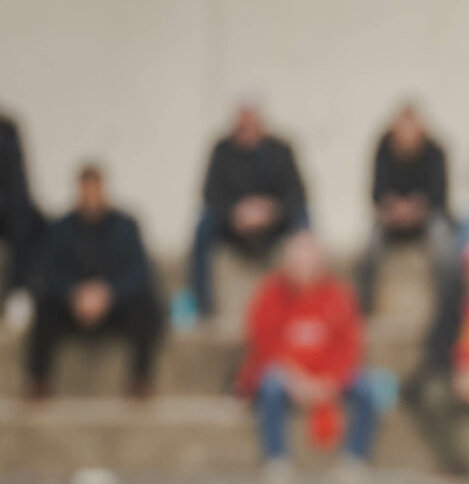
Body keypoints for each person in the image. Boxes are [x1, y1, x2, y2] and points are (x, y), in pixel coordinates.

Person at [237, 229, 375, 474]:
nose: (305, 271)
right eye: (298, 264)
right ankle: (276, 458)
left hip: (328, 376)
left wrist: (329, 381)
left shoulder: (339, 295)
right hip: (287, 376)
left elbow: (349, 346)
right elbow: (265, 348)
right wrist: (297, 382)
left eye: (310, 265)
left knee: (367, 389)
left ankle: (355, 458)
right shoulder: (270, 295)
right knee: (270, 386)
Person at [24, 163, 161, 400]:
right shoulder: (60, 228)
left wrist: (108, 293)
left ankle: (140, 379)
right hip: (72, 307)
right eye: (86, 191)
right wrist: (74, 293)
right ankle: (38, 380)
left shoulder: (126, 226)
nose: (91, 198)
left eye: (95, 191)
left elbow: (140, 270)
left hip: (114, 307)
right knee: (43, 304)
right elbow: (47, 271)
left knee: (146, 303)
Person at [186, 102, 310, 320]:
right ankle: (202, 304)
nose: (247, 133)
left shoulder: (280, 150)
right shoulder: (221, 151)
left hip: (274, 221)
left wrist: (272, 209)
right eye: (242, 128)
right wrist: (236, 212)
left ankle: (310, 297)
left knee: (303, 222)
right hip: (233, 224)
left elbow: (297, 193)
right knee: (203, 226)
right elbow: (210, 194)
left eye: (252, 126)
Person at [406, 230, 469, 473]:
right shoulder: (454, 303)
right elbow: (437, 346)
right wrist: (459, 376)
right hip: (456, 376)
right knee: (433, 397)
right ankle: (455, 466)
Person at [356, 102, 455, 316]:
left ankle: (448, 309)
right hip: (392, 218)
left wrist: (417, 208)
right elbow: (376, 192)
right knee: (369, 250)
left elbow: (439, 195)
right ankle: (364, 310)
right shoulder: (383, 149)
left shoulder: (435, 152)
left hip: (427, 217)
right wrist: (394, 207)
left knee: (446, 251)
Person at [0, 109, 42, 309]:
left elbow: (18, 189)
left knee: (29, 221)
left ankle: (20, 292)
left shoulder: (6, 131)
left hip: (8, 214)